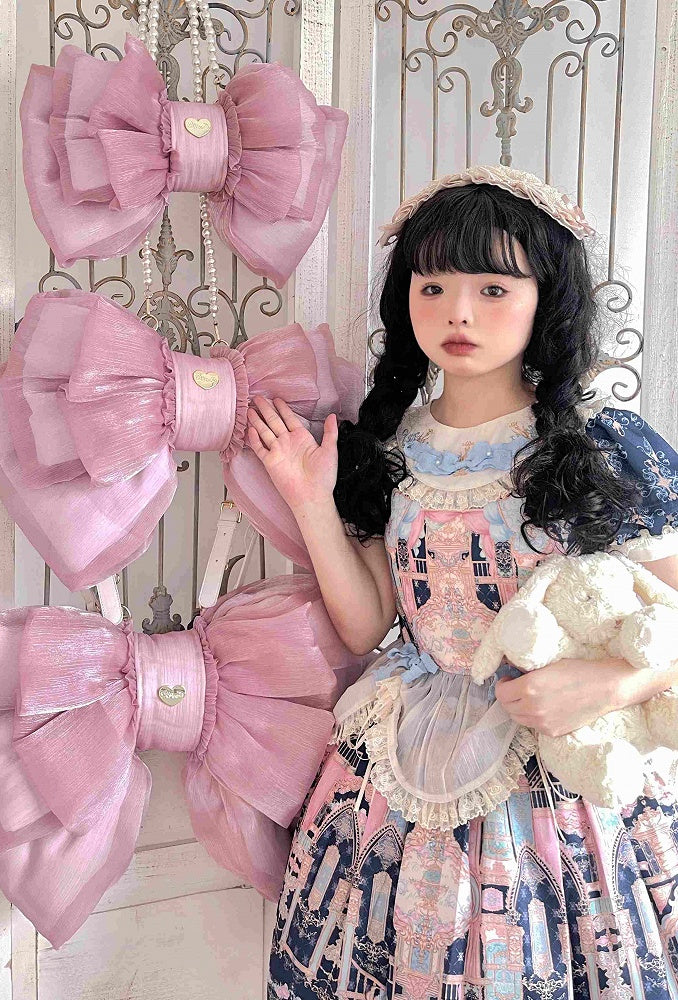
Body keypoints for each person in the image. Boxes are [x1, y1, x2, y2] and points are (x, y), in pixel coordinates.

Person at [246, 166, 678, 998]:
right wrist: (307, 499)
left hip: (565, 772)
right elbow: (367, 626)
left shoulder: (601, 446)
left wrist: (614, 683)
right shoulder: (392, 446)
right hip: (403, 757)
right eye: (434, 285)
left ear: (546, 298)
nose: (459, 313)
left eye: (493, 288)